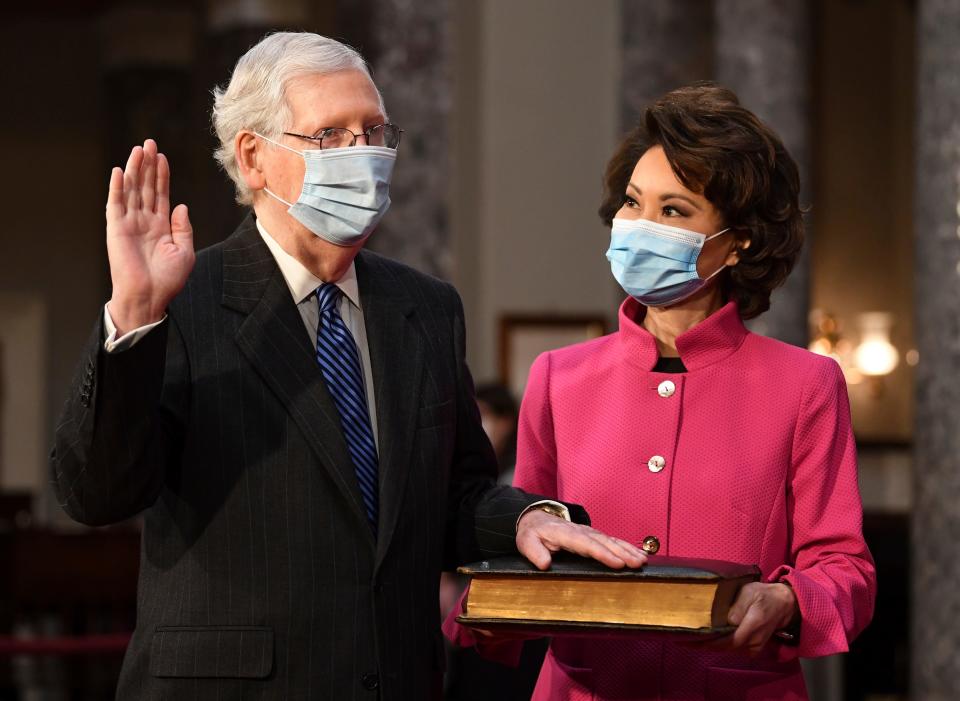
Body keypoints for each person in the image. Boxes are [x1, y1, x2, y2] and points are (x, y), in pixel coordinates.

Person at [49, 32, 645, 700]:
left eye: (375, 131)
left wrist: (525, 518)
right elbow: (97, 493)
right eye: (330, 135)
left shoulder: (424, 307)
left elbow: (455, 494)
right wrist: (133, 316)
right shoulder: (182, 298)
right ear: (254, 158)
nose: (364, 155)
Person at [445, 83, 876, 700]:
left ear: (740, 241)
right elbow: (523, 546)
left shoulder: (805, 385)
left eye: (673, 211)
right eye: (632, 203)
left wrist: (786, 600)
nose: (641, 227)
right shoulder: (557, 377)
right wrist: (485, 613)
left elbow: (844, 568)